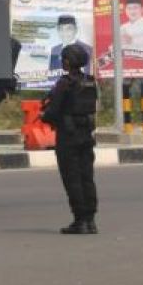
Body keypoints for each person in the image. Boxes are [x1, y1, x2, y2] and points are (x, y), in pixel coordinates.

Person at [41, 44, 98, 235]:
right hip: (86, 135)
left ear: (68, 61)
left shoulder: (65, 83)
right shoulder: (90, 81)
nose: (62, 62)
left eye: (64, 59)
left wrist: (45, 115)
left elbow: (53, 111)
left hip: (68, 137)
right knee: (87, 178)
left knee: (72, 179)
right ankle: (90, 220)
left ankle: (80, 220)